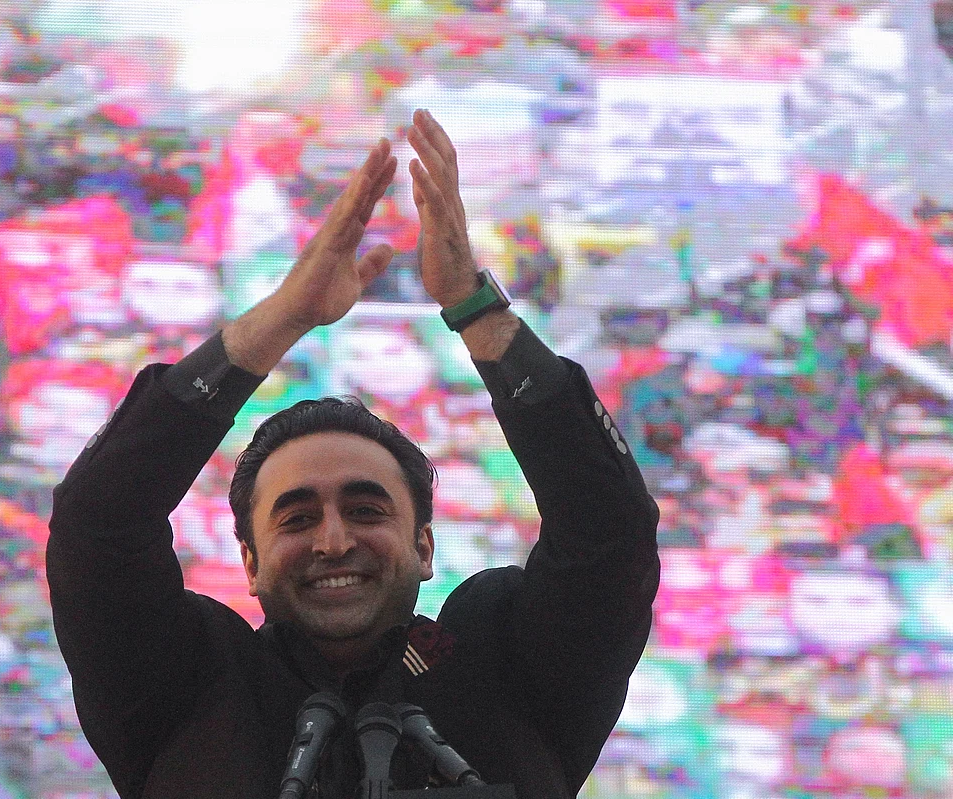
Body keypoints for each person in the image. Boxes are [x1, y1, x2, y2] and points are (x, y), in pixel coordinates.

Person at [47, 110, 660, 799]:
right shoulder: (182, 685)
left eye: (366, 509)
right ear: (248, 562)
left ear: (424, 545)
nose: (334, 541)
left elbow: (609, 532)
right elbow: (98, 523)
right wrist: (283, 317)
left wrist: (473, 307)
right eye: (296, 518)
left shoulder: (512, 671)